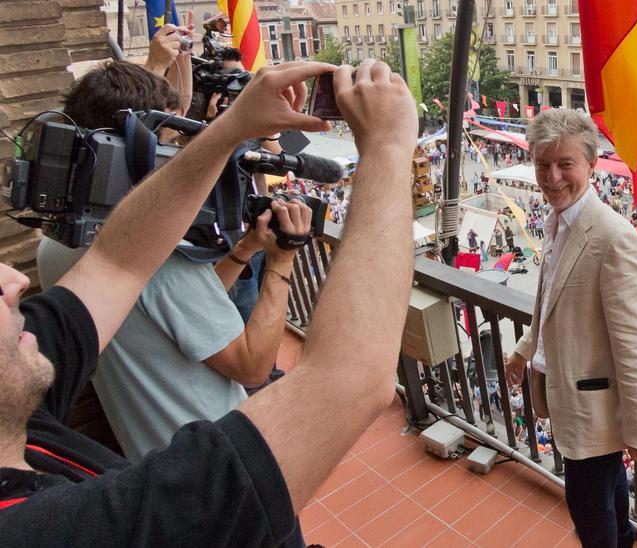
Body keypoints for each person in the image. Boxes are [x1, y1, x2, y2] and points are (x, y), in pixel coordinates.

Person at [2, 59, 420, 543]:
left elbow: (119, 263)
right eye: (172, 138)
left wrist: (232, 127)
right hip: (208, 453)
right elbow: (342, 378)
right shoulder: (77, 528)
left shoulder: (54, 257)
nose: (13, 281)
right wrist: (388, 148)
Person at [38, 57, 315, 461]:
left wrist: (244, 251)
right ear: (123, 147)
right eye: (169, 139)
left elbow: (178, 315)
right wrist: (283, 259)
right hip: (215, 467)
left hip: (151, 457)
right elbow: (253, 366)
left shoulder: (59, 242)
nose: (179, 154)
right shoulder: (155, 259)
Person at [505, 109, 637, 547]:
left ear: (591, 165)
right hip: (571, 399)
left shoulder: (614, 238)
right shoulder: (560, 220)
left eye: (565, 164)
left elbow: (636, 346)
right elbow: (549, 304)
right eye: (542, 165)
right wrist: (523, 349)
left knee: (591, 519)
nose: (552, 177)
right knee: (609, 499)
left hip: (593, 412)